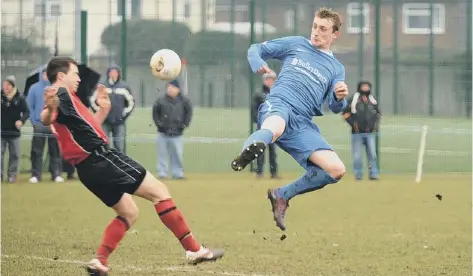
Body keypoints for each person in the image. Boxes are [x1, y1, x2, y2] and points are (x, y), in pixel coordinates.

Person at [41, 57, 223, 275]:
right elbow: (47, 116)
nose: (79, 78)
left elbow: (84, 129)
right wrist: (50, 111)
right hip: (101, 158)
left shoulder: (69, 99)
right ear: (61, 76)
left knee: (129, 212)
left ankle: (100, 261)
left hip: (87, 169)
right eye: (75, 73)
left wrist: (103, 110)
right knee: (160, 192)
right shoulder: (59, 93)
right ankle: (194, 250)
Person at [230, 8, 349, 231]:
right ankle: (247, 153)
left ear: (334, 34)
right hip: (281, 104)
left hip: (303, 123)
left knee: (336, 169)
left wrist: (339, 97)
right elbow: (256, 49)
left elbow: (335, 107)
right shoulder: (296, 44)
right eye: (314, 26)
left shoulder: (336, 69)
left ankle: (282, 195)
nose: (316, 32)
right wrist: (257, 62)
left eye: (323, 29)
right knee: (275, 126)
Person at [26, 67, 64, 183]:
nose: (46, 76)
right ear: (41, 75)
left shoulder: (56, 88)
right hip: (39, 124)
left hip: (53, 124)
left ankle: (56, 174)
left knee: (55, 150)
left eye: (48, 74)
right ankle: (36, 175)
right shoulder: (34, 88)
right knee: (36, 151)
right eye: (44, 74)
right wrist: (34, 120)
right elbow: (30, 106)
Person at [152, 79, 193, 180]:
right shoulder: (160, 100)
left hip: (177, 134)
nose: (170, 89)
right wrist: (159, 124)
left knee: (177, 155)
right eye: (169, 87)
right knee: (162, 154)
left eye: (172, 87)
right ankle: (162, 173)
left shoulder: (185, 101)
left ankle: (177, 173)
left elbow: (188, 113)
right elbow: (155, 113)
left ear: (178, 89)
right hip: (163, 133)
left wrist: (184, 125)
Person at [90, 64, 135, 154]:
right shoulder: (102, 87)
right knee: (104, 145)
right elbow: (92, 100)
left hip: (119, 122)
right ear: (108, 73)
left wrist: (123, 114)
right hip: (105, 122)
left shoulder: (124, 86)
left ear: (118, 74)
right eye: (112, 72)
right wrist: (100, 113)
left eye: (116, 72)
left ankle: (120, 167)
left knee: (120, 148)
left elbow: (131, 103)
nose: (114, 74)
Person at [342, 80, 381, 180]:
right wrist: (354, 125)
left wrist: (375, 126)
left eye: (367, 86)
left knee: (372, 155)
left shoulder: (373, 100)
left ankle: (373, 174)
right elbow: (346, 113)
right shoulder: (354, 99)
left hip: (370, 133)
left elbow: (378, 114)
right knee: (357, 156)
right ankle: (358, 174)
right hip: (357, 134)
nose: (365, 88)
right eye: (363, 86)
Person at [1, 75, 29, 183]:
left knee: (15, 155)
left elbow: (27, 112)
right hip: (1, 132)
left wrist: (21, 121)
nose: (5, 87)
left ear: (12, 86)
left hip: (14, 133)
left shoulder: (20, 98)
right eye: (4, 85)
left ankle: (12, 175)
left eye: (7, 85)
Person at [252, 71, 279, 179]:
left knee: (273, 151)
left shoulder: (276, 94)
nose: (270, 81)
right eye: (268, 79)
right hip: (262, 127)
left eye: (272, 79)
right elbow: (254, 110)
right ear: (264, 80)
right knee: (260, 150)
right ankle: (259, 173)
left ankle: (274, 173)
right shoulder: (259, 95)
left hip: (273, 127)